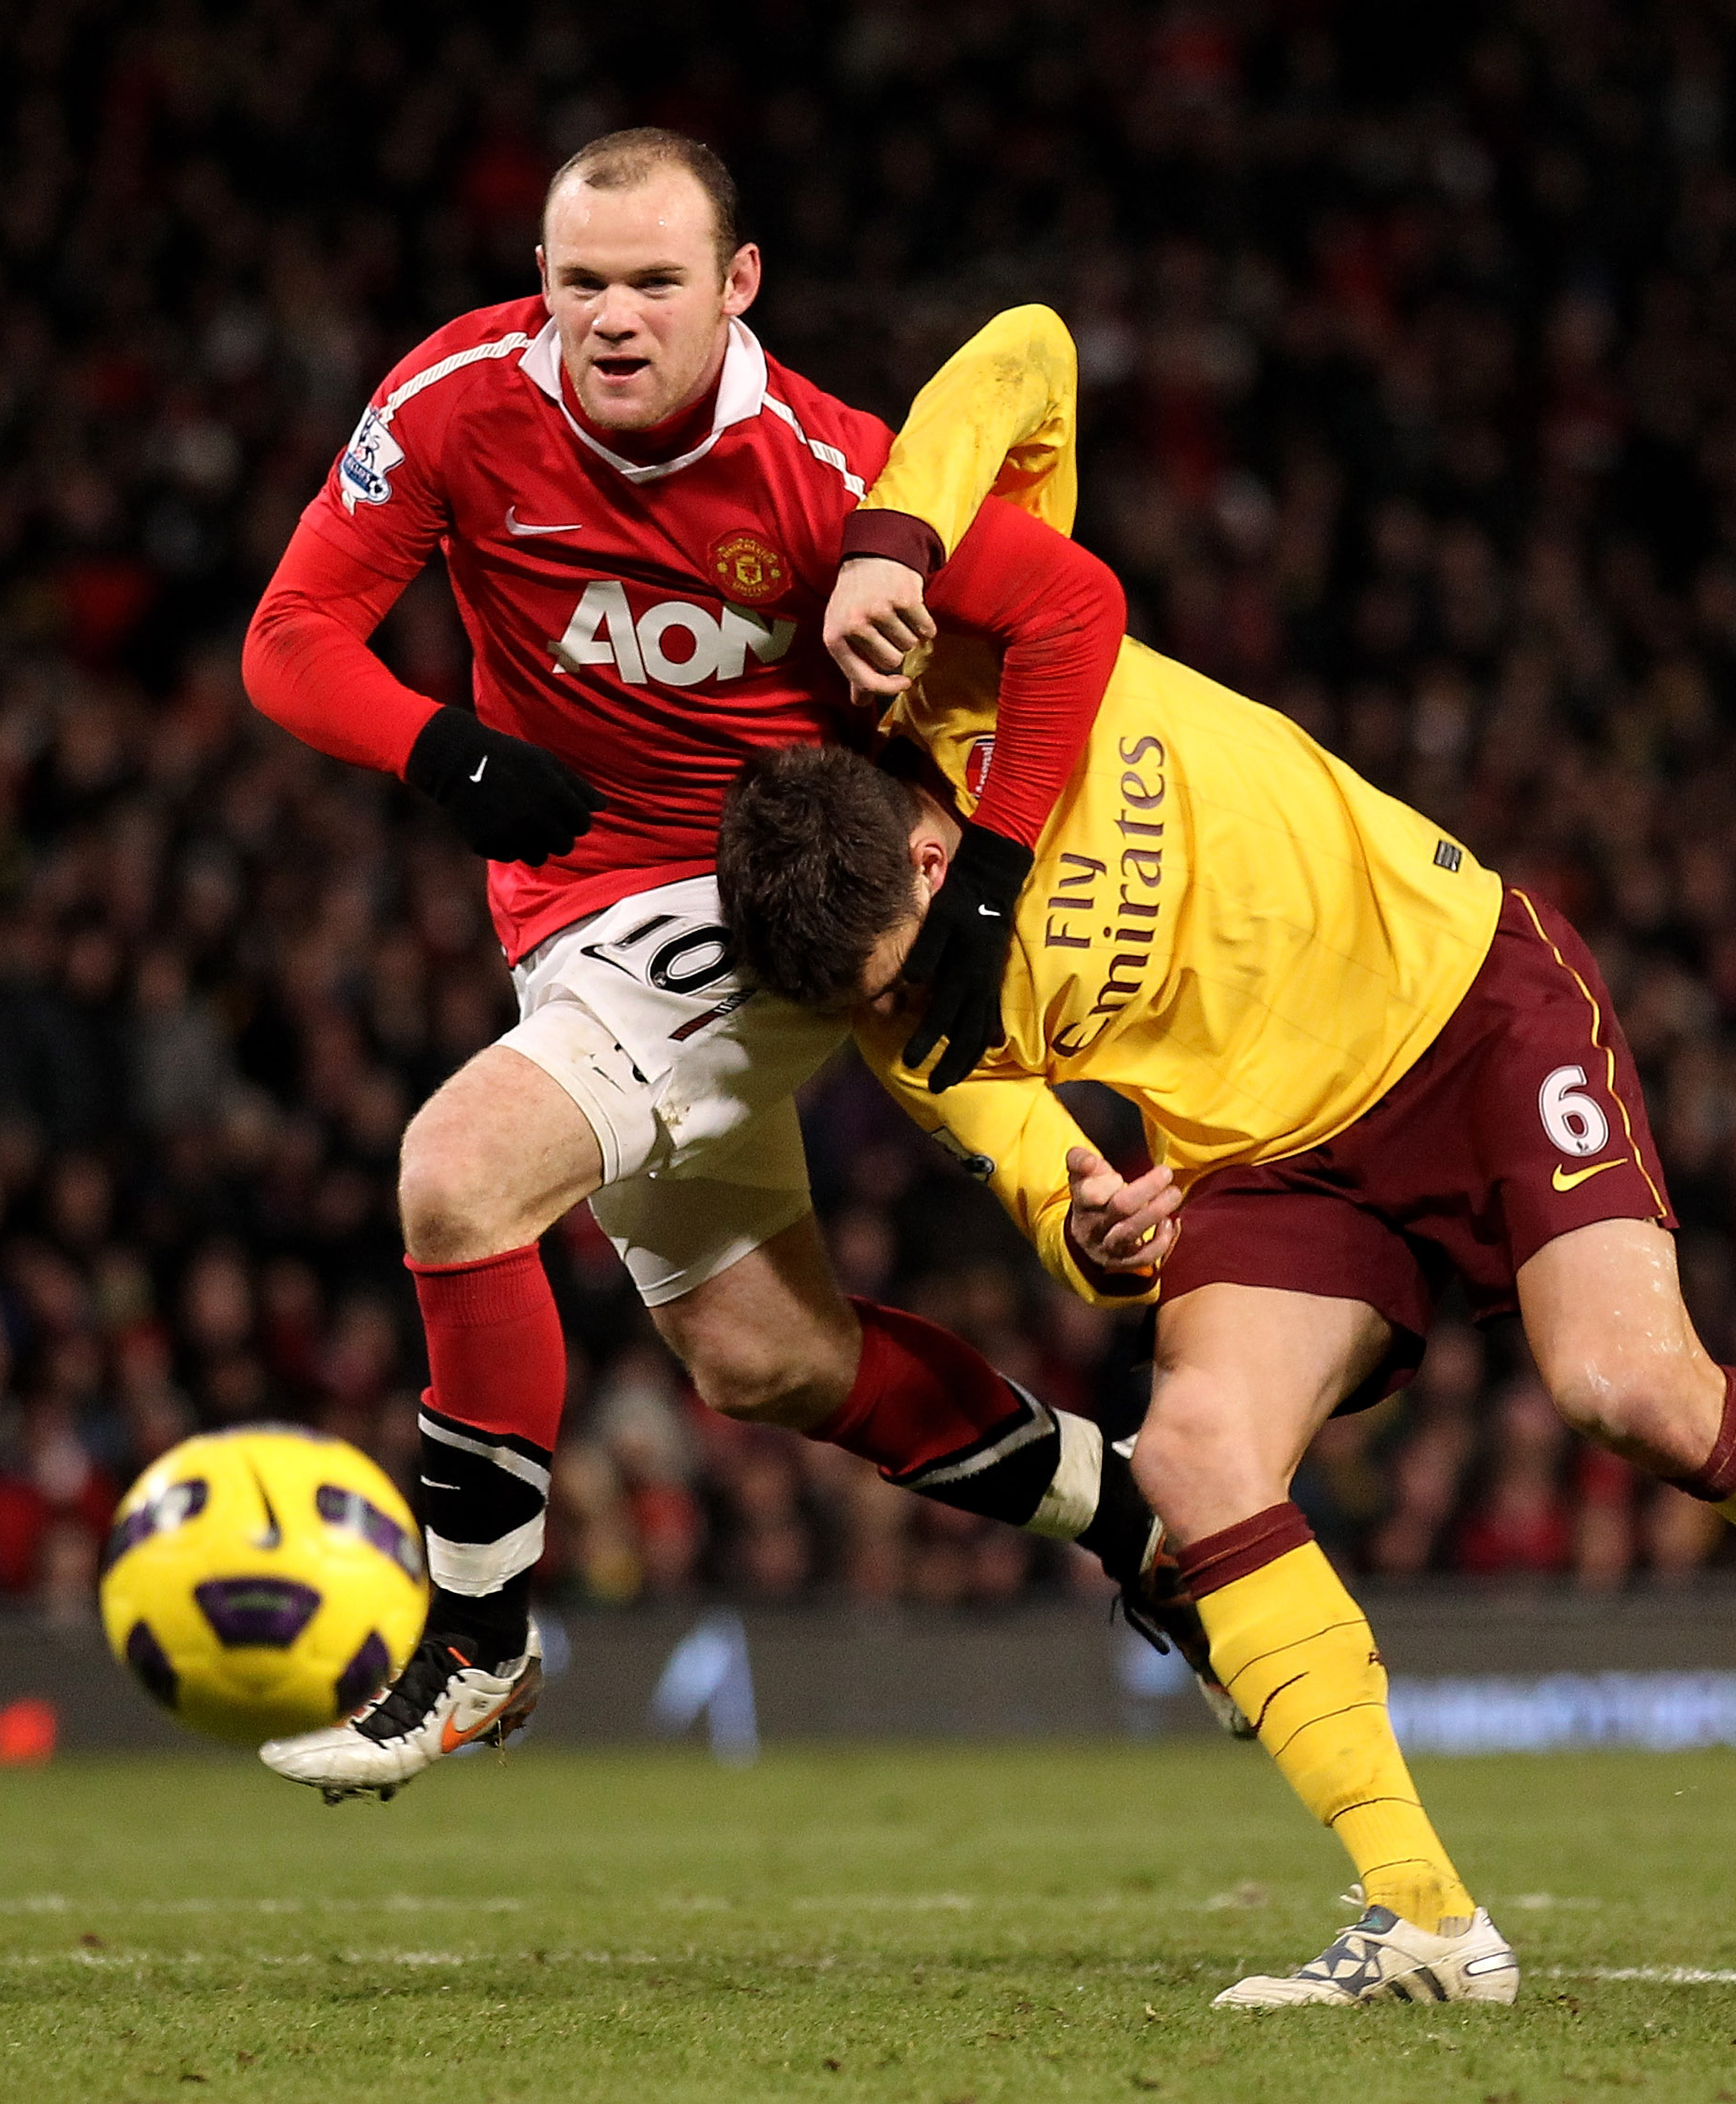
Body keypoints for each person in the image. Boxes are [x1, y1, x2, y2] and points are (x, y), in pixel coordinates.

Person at [725, 309, 1736, 2008]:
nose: (908, 1005)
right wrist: (1101, 1223)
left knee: (1630, 1392)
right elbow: (1028, 1161)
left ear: (931, 848)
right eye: (873, 1003)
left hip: (1467, 1002)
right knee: (1196, 1450)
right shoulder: (897, 1012)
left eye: (905, 959)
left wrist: (892, 533)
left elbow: (1030, 350)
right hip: (1276, 1167)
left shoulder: (960, 643)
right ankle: (1433, 1921)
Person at [237, 130, 1189, 1801]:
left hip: (766, 892)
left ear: (736, 286)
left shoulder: (828, 472)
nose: (612, 318)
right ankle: (1143, 1513)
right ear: (541, 278)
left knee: (457, 1182)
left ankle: (478, 1648)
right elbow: (289, 641)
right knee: (764, 1358)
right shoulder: (456, 399)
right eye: (581, 280)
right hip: (572, 921)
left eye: (654, 283)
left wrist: (992, 871)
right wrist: (440, 749)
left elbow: (1072, 609)